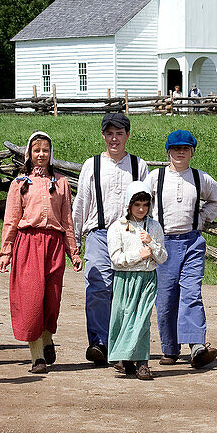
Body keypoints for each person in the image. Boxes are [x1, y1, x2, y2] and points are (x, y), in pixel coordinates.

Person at [0, 132, 82, 374]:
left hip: (54, 244)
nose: (41, 155)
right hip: (28, 244)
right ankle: (37, 358)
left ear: (51, 153)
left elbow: (67, 220)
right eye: (36, 150)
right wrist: (6, 252)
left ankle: (47, 340)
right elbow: (11, 220)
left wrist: (73, 252)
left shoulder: (61, 183)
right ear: (29, 153)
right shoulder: (20, 184)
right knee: (32, 300)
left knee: (51, 300)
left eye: (45, 150)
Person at [72, 113, 148, 365]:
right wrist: (75, 240)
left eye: (119, 133)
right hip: (99, 233)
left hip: (129, 234)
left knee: (126, 290)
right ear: (103, 135)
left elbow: (147, 204)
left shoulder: (139, 166)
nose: (114, 138)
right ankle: (100, 343)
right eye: (109, 133)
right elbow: (81, 203)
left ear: (127, 135)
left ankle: (123, 345)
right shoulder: (91, 165)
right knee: (98, 288)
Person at [148, 129, 217, 368]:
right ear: (168, 151)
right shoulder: (156, 178)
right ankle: (170, 350)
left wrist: (204, 218)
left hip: (192, 241)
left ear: (192, 152)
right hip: (164, 244)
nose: (180, 152)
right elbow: (138, 201)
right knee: (166, 297)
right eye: (175, 148)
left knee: (191, 292)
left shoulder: (199, 178)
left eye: (185, 148)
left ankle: (197, 346)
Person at [107, 181, 167, 381]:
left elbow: (162, 257)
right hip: (125, 280)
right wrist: (138, 255)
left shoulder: (154, 226)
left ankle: (143, 363)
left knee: (142, 321)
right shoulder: (118, 227)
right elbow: (116, 259)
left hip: (147, 279)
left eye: (145, 205)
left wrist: (153, 244)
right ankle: (125, 359)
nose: (141, 209)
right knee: (125, 318)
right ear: (129, 205)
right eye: (137, 205)